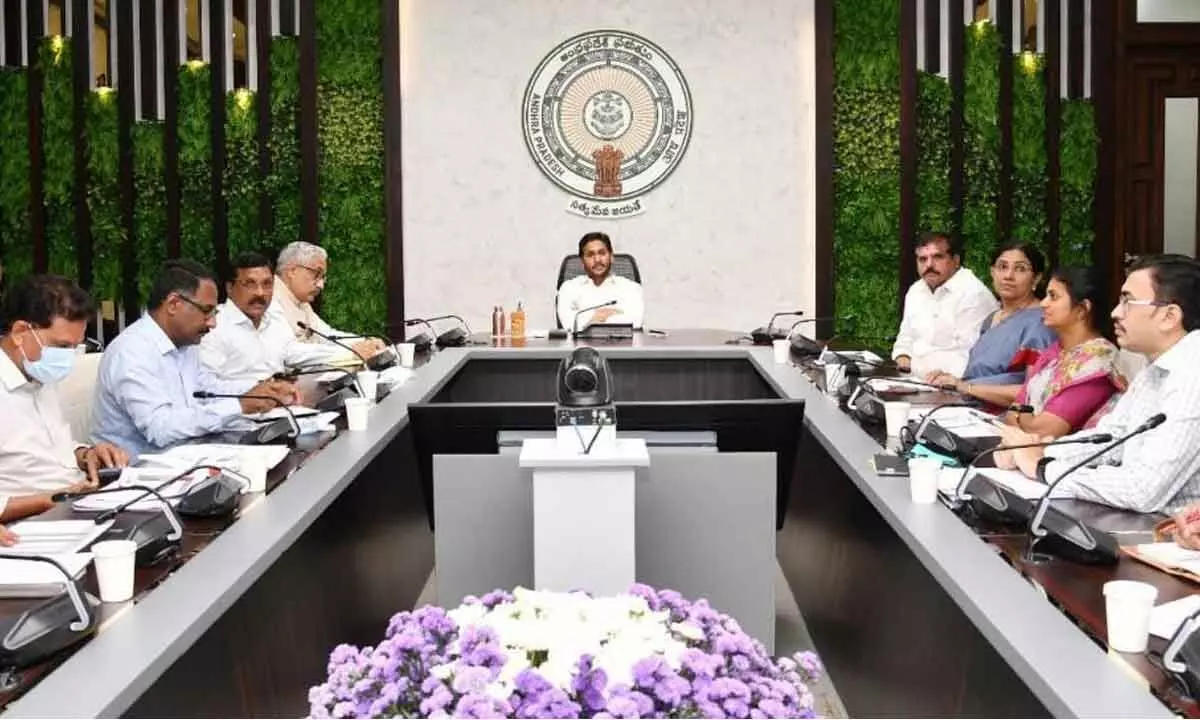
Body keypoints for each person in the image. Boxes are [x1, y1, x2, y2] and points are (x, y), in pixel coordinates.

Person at [999, 255, 1200, 514]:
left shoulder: (1192, 374)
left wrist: (1043, 467)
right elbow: (1108, 439)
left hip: (1170, 542)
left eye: (1128, 301)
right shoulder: (1155, 369)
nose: (1116, 313)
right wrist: (1035, 450)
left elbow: (1141, 489)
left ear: (1169, 316)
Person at [91, 260, 300, 458]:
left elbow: (208, 389)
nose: (212, 323)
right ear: (173, 304)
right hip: (144, 475)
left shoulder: (184, 343)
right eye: (206, 311)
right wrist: (240, 406)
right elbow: (160, 429)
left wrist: (262, 391)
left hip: (192, 457)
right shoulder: (132, 352)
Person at [0, 275, 129, 522]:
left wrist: (85, 455)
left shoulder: (37, 372)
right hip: (27, 524)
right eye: (61, 347)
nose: (68, 358)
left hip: (77, 504)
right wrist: (52, 499)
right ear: (19, 332)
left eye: (75, 347)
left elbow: (47, 449)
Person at [926, 240, 1056, 395]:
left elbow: (1034, 392)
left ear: (1036, 279)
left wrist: (965, 387)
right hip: (967, 404)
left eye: (1020, 269)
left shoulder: (1041, 321)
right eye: (1002, 267)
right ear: (992, 272)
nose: (1008, 276)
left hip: (1003, 414)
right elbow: (982, 375)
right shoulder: (992, 319)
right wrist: (949, 381)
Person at [201, 252, 347, 385]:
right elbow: (205, 387)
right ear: (229, 288)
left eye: (267, 284)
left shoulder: (274, 320)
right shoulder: (214, 327)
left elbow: (293, 352)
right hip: (239, 412)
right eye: (250, 284)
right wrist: (259, 391)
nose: (260, 293)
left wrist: (350, 353)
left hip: (284, 409)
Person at [891, 232, 998, 378]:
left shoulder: (973, 294)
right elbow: (906, 337)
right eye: (922, 259)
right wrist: (903, 355)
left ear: (955, 260)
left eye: (938, 257)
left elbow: (970, 358)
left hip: (953, 387)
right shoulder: (916, 290)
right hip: (912, 381)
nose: (929, 265)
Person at [271, 241, 386, 358]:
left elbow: (327, 335)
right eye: (316, 274)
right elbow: (290, 352)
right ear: (292, 271)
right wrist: (352, 352)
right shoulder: (269, 299)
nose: (321, 285)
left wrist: (364, 342)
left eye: (323, 278)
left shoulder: (300, 301)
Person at [556, 232, 645, 331]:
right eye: (590, 255)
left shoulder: (631, 288)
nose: (597, 259)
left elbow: (636, 322)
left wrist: (588, 320)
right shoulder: (568, 288)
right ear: (582, 261)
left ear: (611, 257)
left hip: (621, 345)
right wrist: (598, 316)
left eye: (602, 253)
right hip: (581, 346)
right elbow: (568, 325)